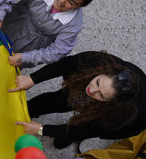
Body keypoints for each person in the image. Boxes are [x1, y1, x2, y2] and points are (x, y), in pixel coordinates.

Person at [11, 52, 144, 148]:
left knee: (81, 129)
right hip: (105, 88)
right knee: (58, 101)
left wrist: (41, 129)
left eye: (101, 95)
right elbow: (64, 65)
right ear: (103, 71)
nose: (92, 91)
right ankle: (31, 109)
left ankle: (66, 138)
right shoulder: (96, 61)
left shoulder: (115, 117)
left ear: (110, 102)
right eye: (97, 82)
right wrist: (32, 78)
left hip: (132, 121)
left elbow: (81, 129)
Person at [0, 0, 97, 67]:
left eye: (71, 2)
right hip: (7, 24)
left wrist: (25, 57)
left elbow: (59, 51)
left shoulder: (73, 25)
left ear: (81, 6)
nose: (62, 0)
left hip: (26, 50)